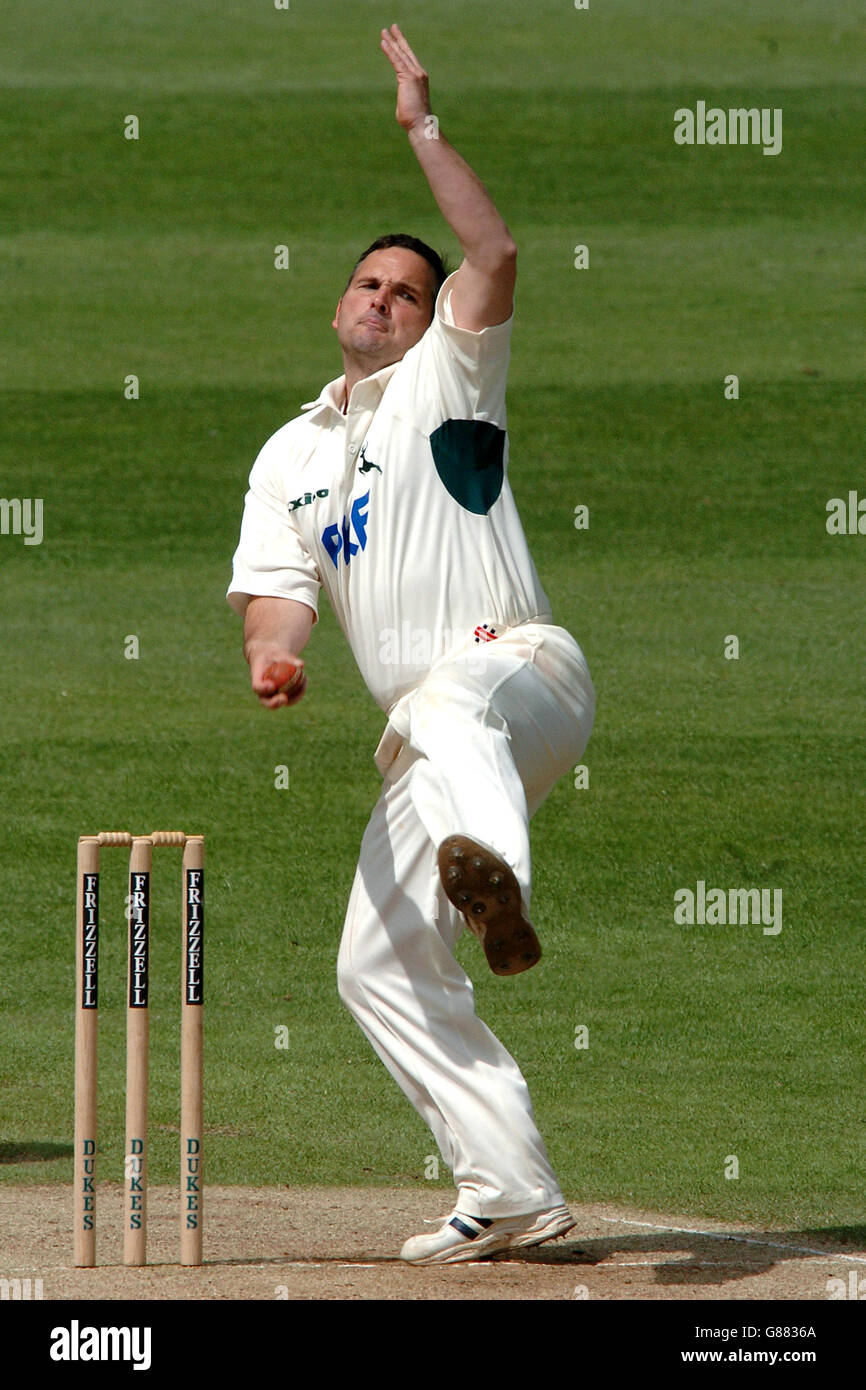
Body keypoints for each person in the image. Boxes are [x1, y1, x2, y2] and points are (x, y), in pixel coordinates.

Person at [227, 24, 595, 1265]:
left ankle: (497, 886)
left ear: (429, 320)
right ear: (337, 302)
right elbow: (275, 598)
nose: (382, 299)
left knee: (443, 705)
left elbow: (489, 249)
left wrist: (420, 130)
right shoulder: (287, 455)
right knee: (372, 965)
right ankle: (508, 1188)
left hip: (520, 677)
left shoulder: (452, 377)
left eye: (404, 289)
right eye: (368, 283)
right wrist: (275, 661)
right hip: (426, 750)